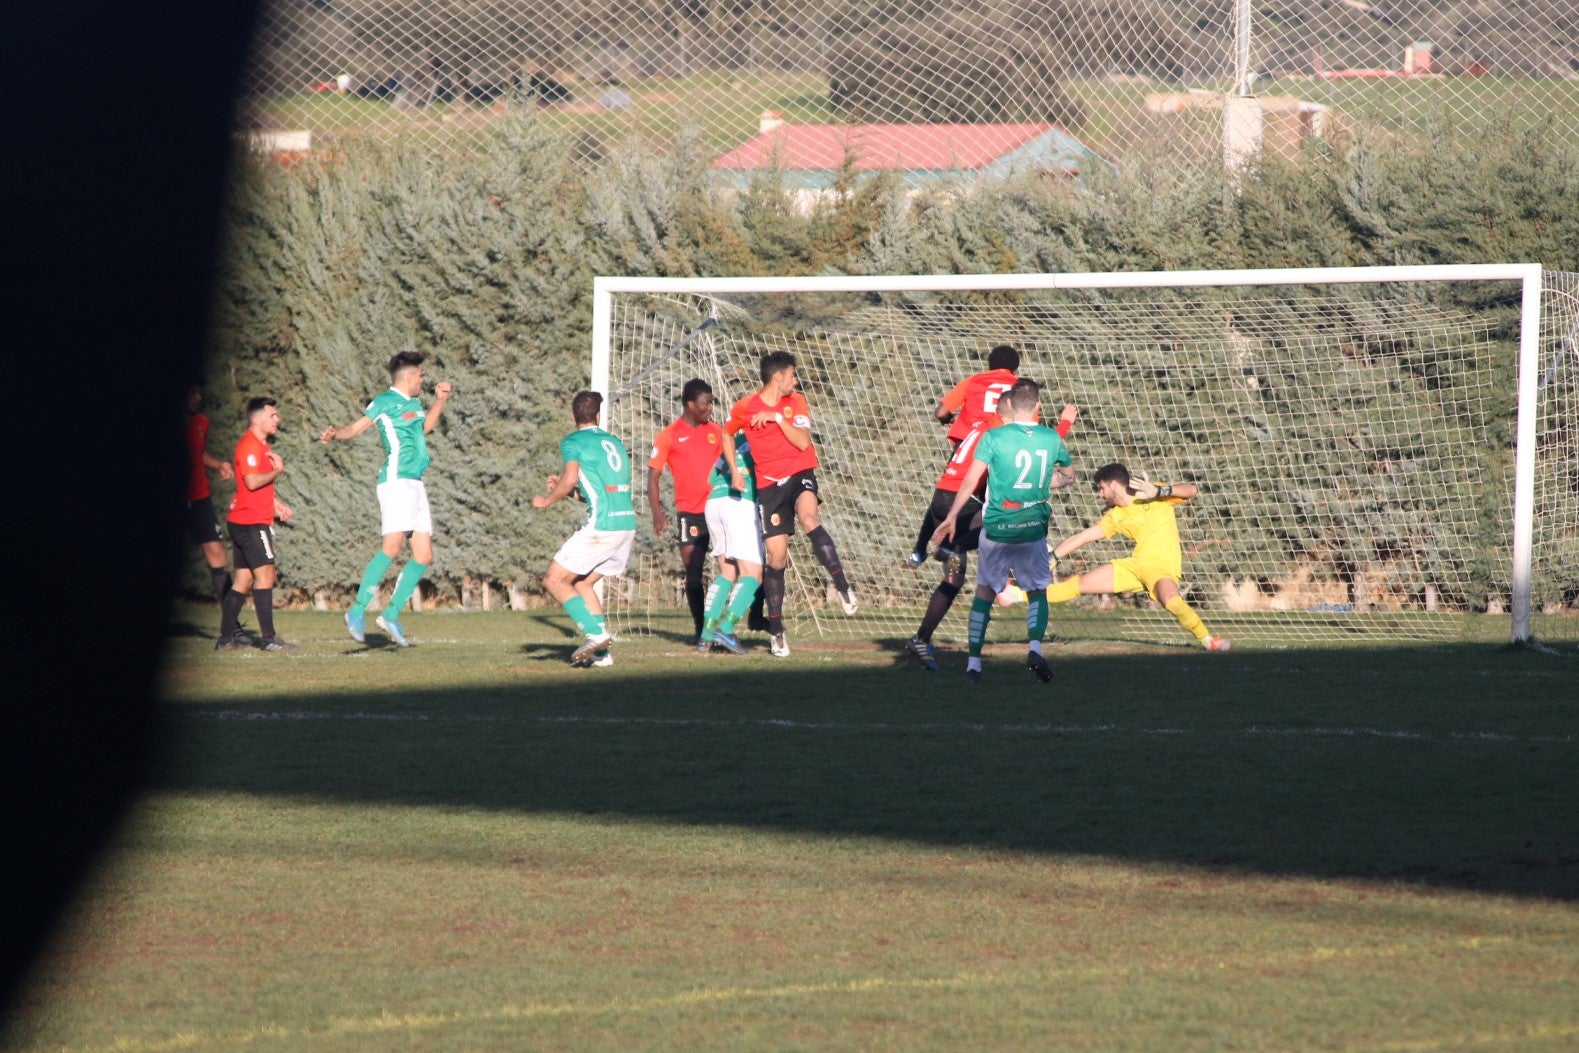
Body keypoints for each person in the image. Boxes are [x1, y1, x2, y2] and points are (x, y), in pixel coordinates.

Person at [906, 389, 1079, 672]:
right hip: (966, 502)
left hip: (944, 497)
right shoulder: (1003, 433)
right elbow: (1039, 453)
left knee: (956, 577)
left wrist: (927, 537)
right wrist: (1063, 426)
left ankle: (925, 634)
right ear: (1014, 408)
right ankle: (992, 577)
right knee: (1002, 529)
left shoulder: (981, 425)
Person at [725, 349, 857, 659]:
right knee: (776, 558)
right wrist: (734, 471)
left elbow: (802, 442)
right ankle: (777, 631)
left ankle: (843, 586)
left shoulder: (794, 402)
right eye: (792, 374)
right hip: (769, 486)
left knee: (810, 518)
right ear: (777, 377)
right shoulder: (745, 407)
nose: (796, 380)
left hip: (800, 473)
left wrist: (774, 418)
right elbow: (726, 433)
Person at [319, 350, 452, 648]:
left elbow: (425, 428)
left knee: (424, 555)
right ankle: (356, 611)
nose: (423, 379)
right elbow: (355, 428)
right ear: (408, 376)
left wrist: (440, 402)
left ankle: (390, 615)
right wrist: (334, 433)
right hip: (395, 482)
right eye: (420, 375)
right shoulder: (384, 402)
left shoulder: (415, 403)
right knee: (391, 547)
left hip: (416, 483)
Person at [1048, 463, 1232, 651]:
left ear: (1113, 485)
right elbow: (1084, 536)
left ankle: (1208, 641)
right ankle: (1018, 595)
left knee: (1172, 601)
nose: (1100, 494)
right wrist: (1054, 555)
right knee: (1079, 584)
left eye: (1101, 488)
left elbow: (1191, 490)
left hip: (1161, 567)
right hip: (1135, 566)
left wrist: (1160, 491)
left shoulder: (1152, 493)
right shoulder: (1115, 516)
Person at [533, 390, 637, 667]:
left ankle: (595, 634)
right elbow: (598, 491)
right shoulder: (613, 442)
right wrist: (566, 493)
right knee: (582, 582)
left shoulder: (572, 442)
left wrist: (546, 500)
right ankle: (602, 655)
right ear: (598, 416)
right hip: (626, 523)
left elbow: (568, 479)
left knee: (553, 579)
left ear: (572, 416)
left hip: (603, 525)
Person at [908, 344, 1022, 568]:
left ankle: (920, 550)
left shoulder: (975, 379)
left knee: (947, 492)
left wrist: (947, 420)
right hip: (1003, 448)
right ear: (1015, 369)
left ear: (989, 364)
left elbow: (941, 411)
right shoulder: (1019, 388)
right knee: (993, 507)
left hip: (969, 444)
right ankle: (962, 550)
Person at [647, 378, 739, 644]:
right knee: (693, 572)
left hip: (721, 510)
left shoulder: (717, 431)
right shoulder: (670, 434)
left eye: (711, 403)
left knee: (735, 569)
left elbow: (734, 460)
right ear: (690, 405)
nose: (710, 408)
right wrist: (657, 511)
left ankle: (727, 626)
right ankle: (702, 630)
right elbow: (653, 476)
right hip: (691, 513)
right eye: (705, 403)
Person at [216, 397, 298, 651]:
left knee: (243, 581)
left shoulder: (261, 446)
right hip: (251, 523)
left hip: (244, 520)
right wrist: (278, 470)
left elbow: (254, 488)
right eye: (273, 415)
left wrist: (277, 504)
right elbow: (252, 482)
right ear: (257, 418)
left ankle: (225, 638)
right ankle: (269, 639)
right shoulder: (249, 446)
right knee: (266, 576)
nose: (277, 419)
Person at [697, 432, 758, 655]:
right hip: (740, 501)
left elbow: (711, 478)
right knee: (752, 574)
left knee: (727, 573)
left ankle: (705, 636)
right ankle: (726, 629)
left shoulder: (738, 439)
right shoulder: (766, 437)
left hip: (714, 502)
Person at [184, 383, 236, 604]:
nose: (198, 397)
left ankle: (231, 627)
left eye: (199, 392)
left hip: (199, 497)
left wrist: (218, 464)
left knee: (218, 555)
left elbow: (198, 452)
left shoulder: (202, 422)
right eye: (193, 392)